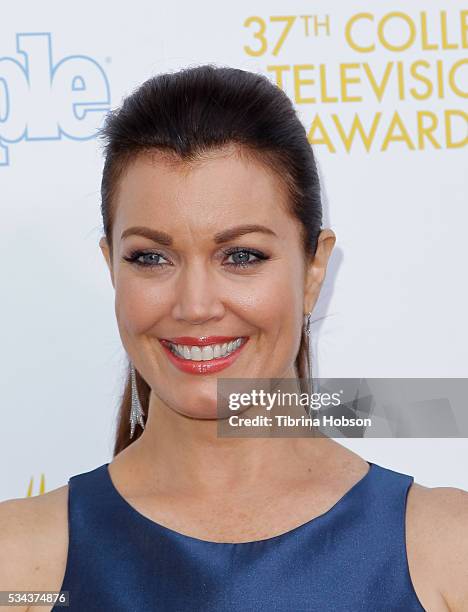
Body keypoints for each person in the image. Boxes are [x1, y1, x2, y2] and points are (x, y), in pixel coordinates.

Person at [1, 65, 467, 612]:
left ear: (313, 269)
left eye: (242, 255)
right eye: (151, 257)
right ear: (112, 267)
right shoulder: (21, 565)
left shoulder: (446, 554)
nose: (195, 305)